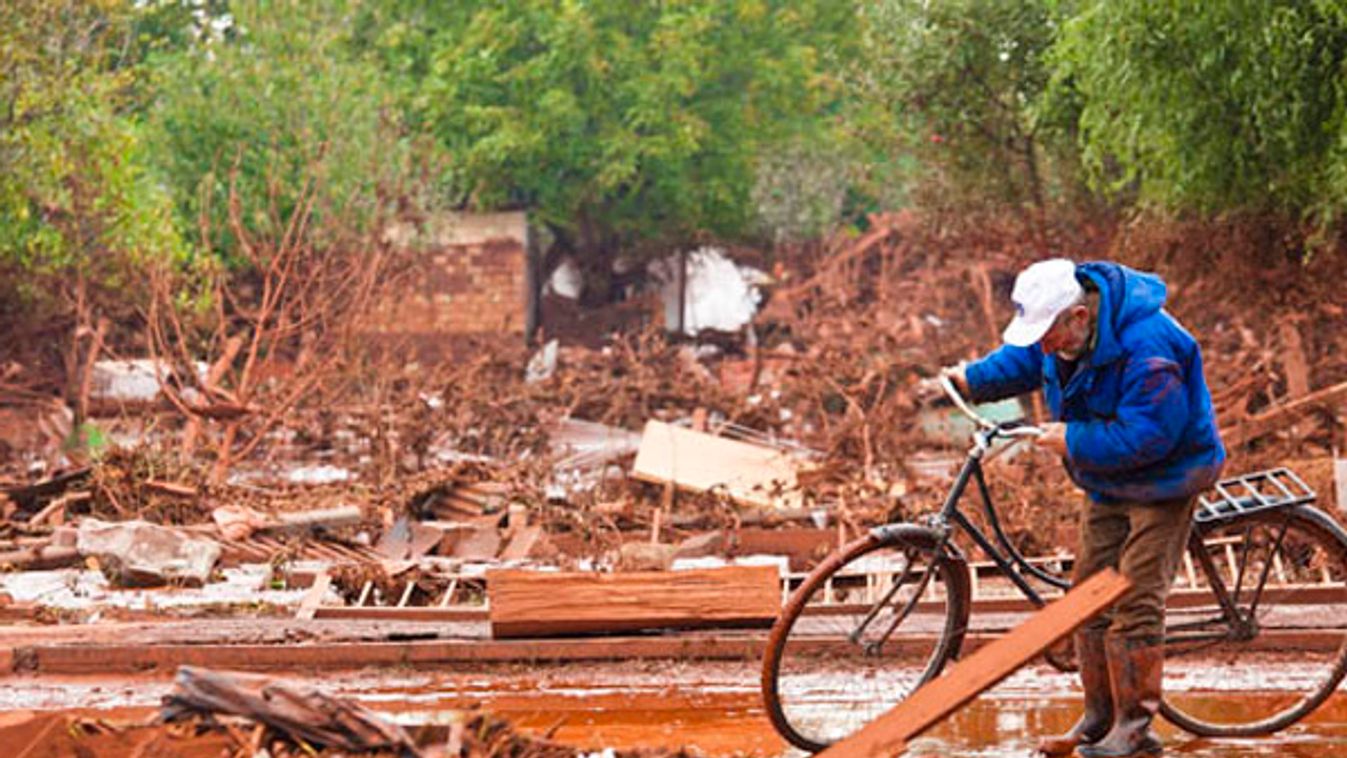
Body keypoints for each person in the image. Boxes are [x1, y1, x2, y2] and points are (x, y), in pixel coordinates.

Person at [942, 258, 1225, 758]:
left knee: (1134, 604)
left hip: (1166, 479)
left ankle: (1135, 731)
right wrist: (969, 380)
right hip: (1108, 480)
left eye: (1048, 333)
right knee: (1089, 601)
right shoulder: (1066, 335)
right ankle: (1098, 720)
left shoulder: (1149, 346)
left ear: (1078, 317)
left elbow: (1149, 437)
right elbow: (1026, 361)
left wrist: (1072, 436)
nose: (1045, 344)